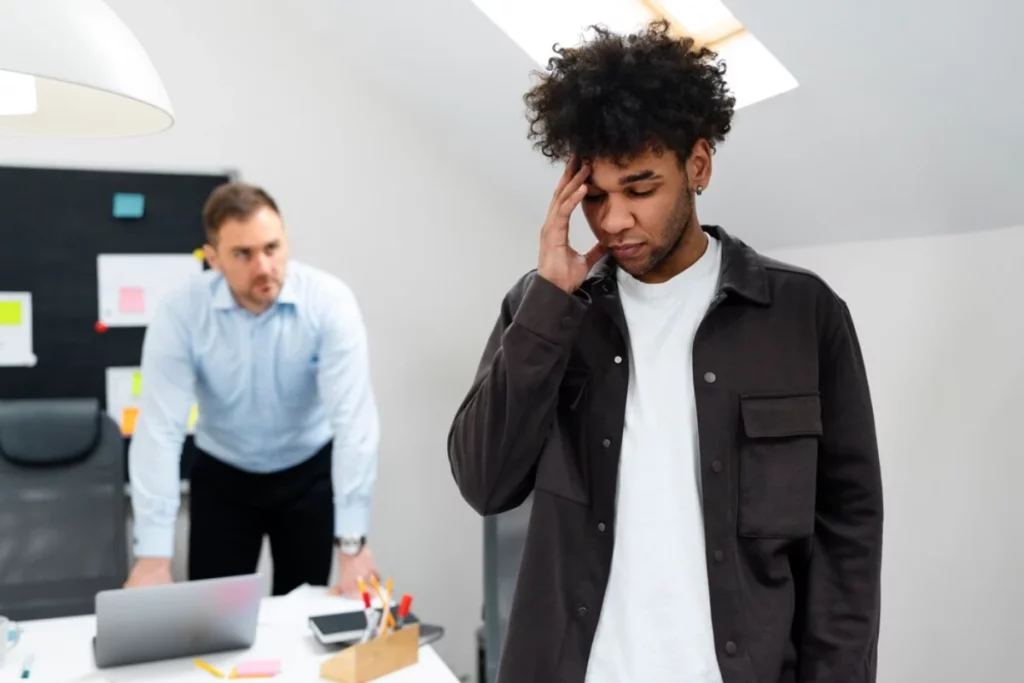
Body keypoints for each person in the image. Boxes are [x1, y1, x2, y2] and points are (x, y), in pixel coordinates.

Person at [447, 20, 883, 683]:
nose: (614, 218)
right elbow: (485, 481)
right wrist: (548, 307)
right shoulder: (543, 310)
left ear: (698, 165)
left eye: (640, 188)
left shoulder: (804, 316)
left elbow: (847, 533)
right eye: (594, 195)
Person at [125, 181, 380, 598]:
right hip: (224, 477)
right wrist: (153, 556)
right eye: (243, 254)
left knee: (304, 616)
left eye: (272, 248)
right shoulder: (181, 313)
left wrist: (352, 543)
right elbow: (160, 429)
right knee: (211, 622)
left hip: (307, 474)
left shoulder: (329, 303)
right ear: (213, 259)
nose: (263, 266)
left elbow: (354, 423)